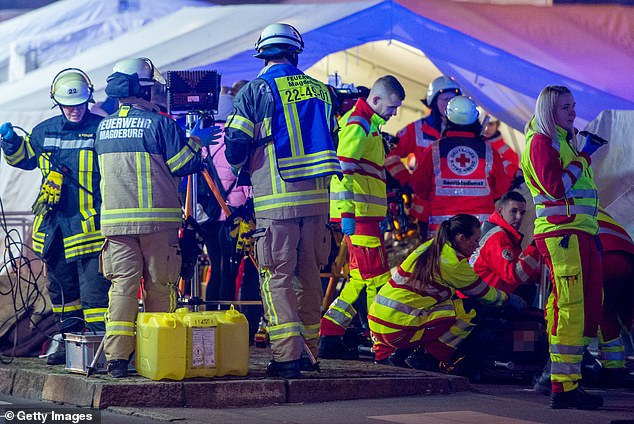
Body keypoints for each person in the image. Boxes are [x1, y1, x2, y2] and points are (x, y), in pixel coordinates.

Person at [224, 23, 341, 378]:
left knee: (276, 277)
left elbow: (235, 147)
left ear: (262, 52)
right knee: (309, 276)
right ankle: (309, 353)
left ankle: (286, 357)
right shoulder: (323, 91)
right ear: (295, 51)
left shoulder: (256, 90)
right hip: (318, 203)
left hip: (277, 202)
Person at [95, 57, 210, 378]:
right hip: (157, 223)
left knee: (122, 288)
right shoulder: (161, 124)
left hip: (115, 224)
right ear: (143, 90)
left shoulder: (103, 127)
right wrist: (198, 139)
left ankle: (117, 360)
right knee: (160, 288)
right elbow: (184, 163)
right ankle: (156, 357)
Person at [0, 68, 110, 365]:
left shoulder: (103, 129)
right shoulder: (44, 131)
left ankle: (100, 352)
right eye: (67, 105)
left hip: (90, 229)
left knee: (95, 294)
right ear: (57, 103)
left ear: (89, 100)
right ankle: (69, 345)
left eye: (79, 104)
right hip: (55, 229)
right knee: (63, 293)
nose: (74, 110)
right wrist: (10, 143)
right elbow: (24, 159)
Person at [521, 85, 604, 409]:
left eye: (573, 106)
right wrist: (583, 157)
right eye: (564, 107)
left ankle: (562, 376)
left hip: (576, 232)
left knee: (579, 305)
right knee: (570, 307)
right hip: (562, 234)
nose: (572, 112)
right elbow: (555, 189)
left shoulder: (560, 142)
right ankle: (563, 385)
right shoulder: (540, 142)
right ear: (548, 112)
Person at [319, 75, 406, 359]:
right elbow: (342, 171)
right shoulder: (359, 124)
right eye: (392, 107)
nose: (394, 114)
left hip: (365, 217)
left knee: (360, 280)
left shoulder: (368, 125)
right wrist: (347, 214)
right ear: (376, 99)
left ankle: (331, 333)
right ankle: (380, 342)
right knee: (376, 281)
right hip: (360, 219)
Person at [368, 214, 517, 371]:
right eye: (474, 240)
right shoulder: (454, 262)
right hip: (397, 326)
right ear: (461, 238)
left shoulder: (430, 246)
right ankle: (428, 357)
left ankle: (394, 356)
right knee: (470, 310)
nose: (477, 246)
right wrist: (508, 299)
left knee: (438, 307)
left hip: (377, 322)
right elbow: (485, 294)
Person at [409, 96, 511, 238]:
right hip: (480, 232)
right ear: (476, 120)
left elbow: (418, 185)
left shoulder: (434, 149)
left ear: (447, 120)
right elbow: (501, 187)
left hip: (443, 231)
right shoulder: (489, 150)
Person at [384, 76, 461, 237]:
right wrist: (407, 181)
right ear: (433, 101)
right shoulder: (417, 129)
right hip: (427, 208)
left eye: (453, 100)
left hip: (457, 206)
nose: (449, 104)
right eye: (445, 99)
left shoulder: (465, 131)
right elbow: (391, 155)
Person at [470, 190, 541, 304]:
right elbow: (514, 275)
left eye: (522, 213)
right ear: (500, 210)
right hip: (484, 301)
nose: (519, 217)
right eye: (514, 211)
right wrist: (535, 247)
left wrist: (542, 276)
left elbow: (517, 266)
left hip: (485, 294)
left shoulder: (500, 232)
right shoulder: (497, 237)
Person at [482, 116, 520, 181]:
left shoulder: (508, 152)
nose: (486, 128)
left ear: (497, 125)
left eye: (491, 124)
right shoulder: (474, 146)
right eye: (484, 124)